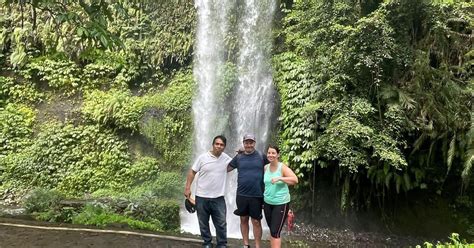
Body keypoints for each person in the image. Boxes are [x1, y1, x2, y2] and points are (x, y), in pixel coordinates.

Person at [184, 135, 232, 248]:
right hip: (201, 197)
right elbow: (192, 172)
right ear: (213, 144)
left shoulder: (227, 159)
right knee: (203, 222)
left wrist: (241, 154)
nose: (219, 146)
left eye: (222, 145)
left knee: (221, 223)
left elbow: (239, 163)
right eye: (217, 144)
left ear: (224, 147)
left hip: (218, 197)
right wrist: (187, 188)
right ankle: (207, 242)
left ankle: (222, 244)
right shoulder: (202, 158)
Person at [228, 134, 269, 248]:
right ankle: (246, 245)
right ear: (243, 143)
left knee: (256, 221)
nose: (249, 145)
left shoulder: (261, 156)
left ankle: (257, 246)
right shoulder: (238, 157)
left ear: (254, 143)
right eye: (246, 142)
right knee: (243, 219)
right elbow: (226, 168)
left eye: (251, 142)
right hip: (241, 194)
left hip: (257, 195)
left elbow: (273, 168)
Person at [263, 145, 298, 248]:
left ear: (278, 155)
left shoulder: (282, 167)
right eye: (269, 153)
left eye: (273, 153)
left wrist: (280, 178)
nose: (271, 155)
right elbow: (266, 185)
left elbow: (295, 180)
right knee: (272, 229)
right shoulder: (266, 167)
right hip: (267, 202)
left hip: (280, 203)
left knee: (275, 231)